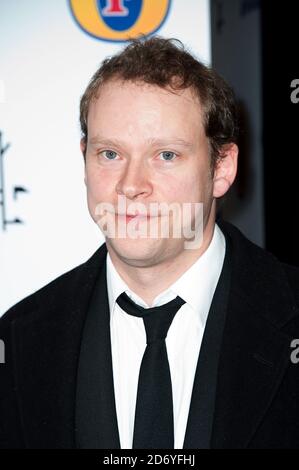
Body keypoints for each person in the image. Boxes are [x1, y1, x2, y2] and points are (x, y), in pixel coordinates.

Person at [0, 37, 298, 450]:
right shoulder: (17, 340)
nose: (131, 186)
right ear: (84, 160)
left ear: (222, 168)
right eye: (110, 154)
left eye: (166, 156)